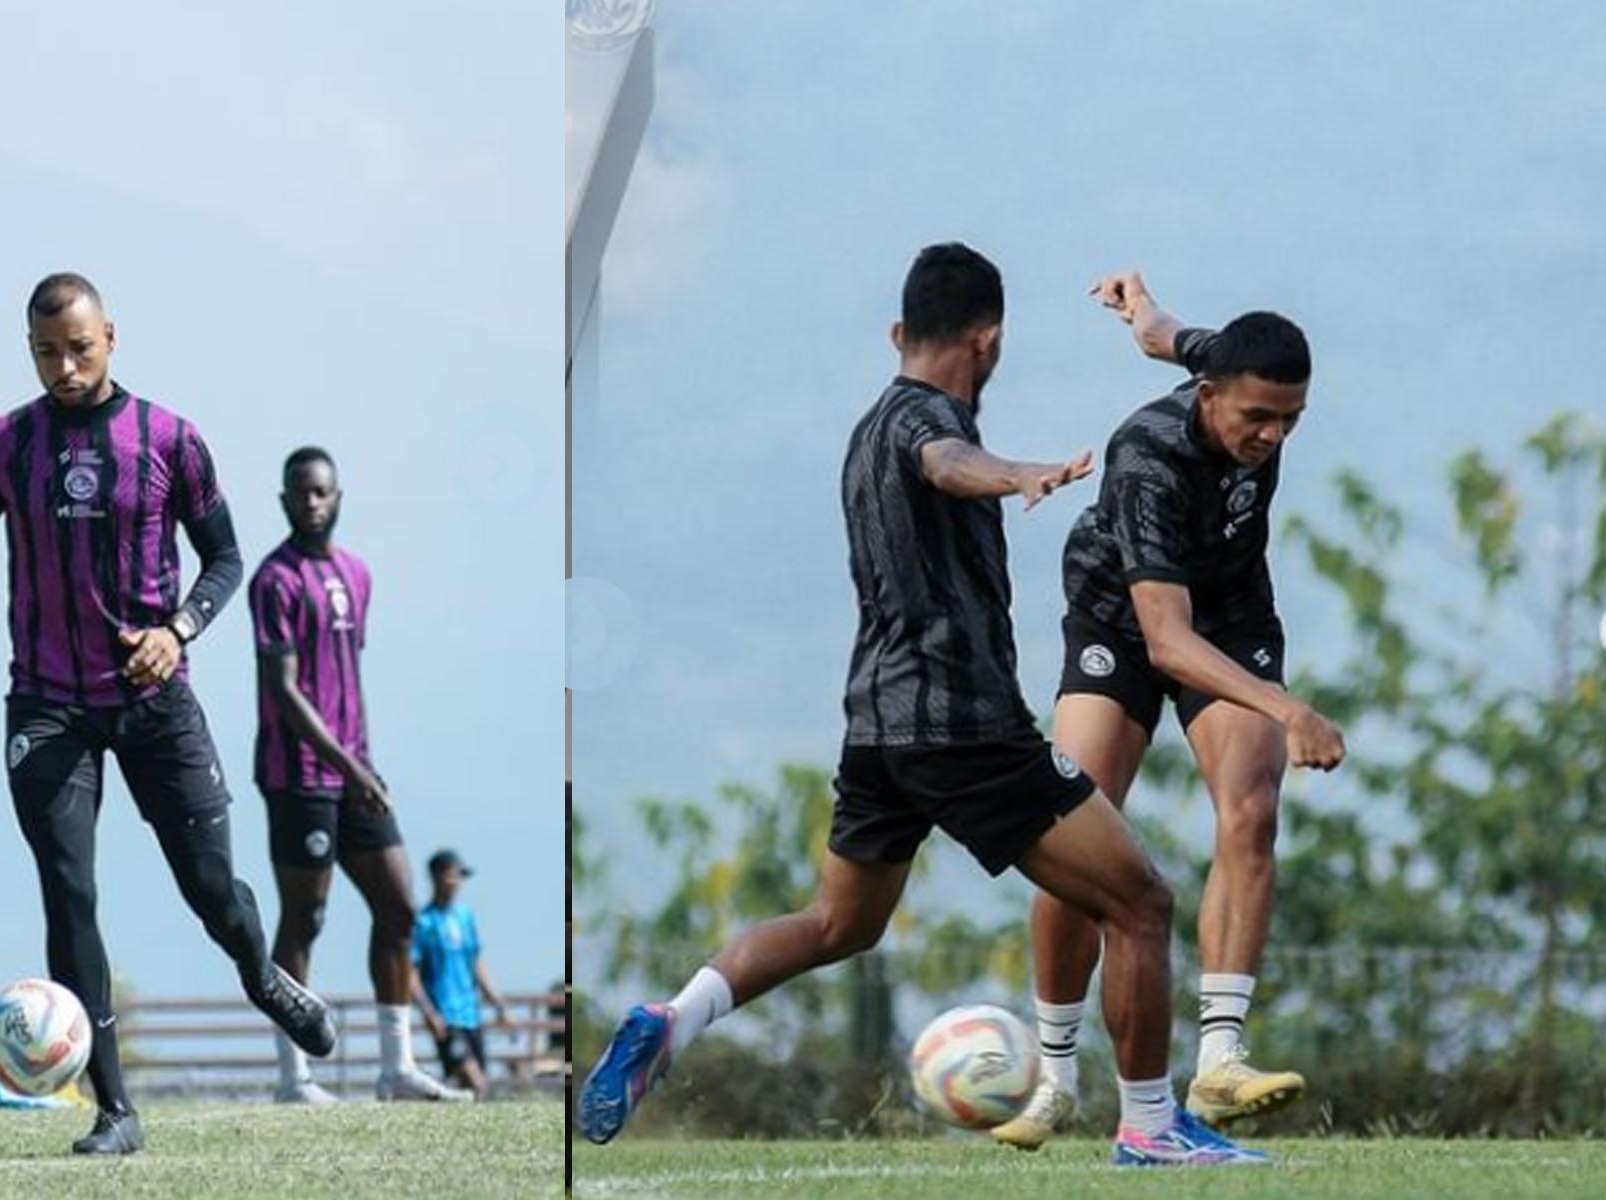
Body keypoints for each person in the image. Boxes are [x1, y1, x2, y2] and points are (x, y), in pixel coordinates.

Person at [577, 243, 1268, 1167]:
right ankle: (1149, 1125)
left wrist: (1147, 331)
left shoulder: (867, 424)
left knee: (838, 925)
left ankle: (673, 1017)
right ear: (988, 342)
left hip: (875, 727)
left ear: (899, 332)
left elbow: (936, 462)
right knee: (1139, 902)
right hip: (965, 728)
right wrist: (1015, 472)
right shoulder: (927, 423)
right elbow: (945, 463)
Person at [0, 273, 334, 1155]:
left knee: (212, 892)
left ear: (111, 337)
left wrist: (178, 628)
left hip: (155, 702)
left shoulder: (170, 439)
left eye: (79, 347)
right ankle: (115, 1108)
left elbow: (226, 558)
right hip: (46, 706)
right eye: (46, 351)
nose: (64, 366)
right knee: (69, 889)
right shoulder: (5, 444)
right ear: (29, 350)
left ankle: (260, 971)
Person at [992, 273, 1345, 1150]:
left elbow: (1171, 338)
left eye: (1289, 421)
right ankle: (1056, 1072)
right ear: (1209, 396)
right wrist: (1289, 708)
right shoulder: (1146, 458)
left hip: (1229, 610)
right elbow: (1165, 640)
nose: (1269, 436)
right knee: (1076, 835)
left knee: (1253, 808)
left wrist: (1142, 313)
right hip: (1125, 616)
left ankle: (1220, 1058)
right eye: (1254, 417)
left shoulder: (1225, 367)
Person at [250, 448, 462, 1103]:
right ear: (283, 501)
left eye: (321, 492)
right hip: (299, 776)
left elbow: (345, 674)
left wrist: (358, 765)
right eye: (299, 493)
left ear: (338, 497)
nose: (311, 503)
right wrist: (348, 765)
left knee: (398, 909)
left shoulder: (358, 574)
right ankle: (295, 1076)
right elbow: (284, 692)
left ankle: (396, 1068)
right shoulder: (274, 581)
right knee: (304, 917)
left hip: (355, 773)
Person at [411, 849, 509, 1097]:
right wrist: (428, 1012)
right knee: (475, 1081)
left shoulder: (465, 917)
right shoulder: (423, 922)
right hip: (445, 1016)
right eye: (452, 875)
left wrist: (498, 1004)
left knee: (471, 1085)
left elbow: (476, 963)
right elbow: (410, 975)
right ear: (436, 877)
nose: (457, 883)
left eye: (460, 877)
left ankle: (436, 1101)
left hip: (471, 1014)